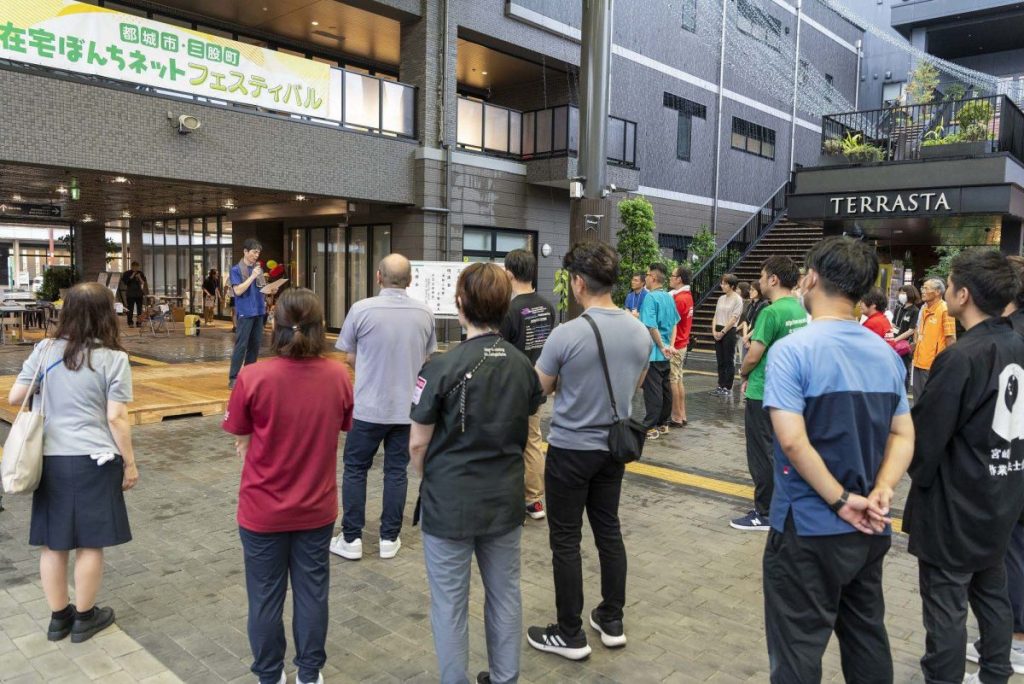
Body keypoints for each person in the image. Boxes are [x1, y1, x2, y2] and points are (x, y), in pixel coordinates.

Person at [762, 236, 914, 683]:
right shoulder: (885, 354)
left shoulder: (793, 350)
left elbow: (793, 442)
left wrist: (841, 500)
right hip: (869, 527)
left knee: (797, 650)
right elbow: (903, 433)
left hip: (807, 527)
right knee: (866, 636)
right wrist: (883, 489)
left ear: (811, 279)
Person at [410, 262, 542, 684]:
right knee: (505, 594)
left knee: (449, 602)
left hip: (449, 502)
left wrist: (427, 475)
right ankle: (505, 677)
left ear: (460, 303)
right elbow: (528, 420)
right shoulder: (522, 366)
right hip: (504, 499)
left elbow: (417, 443)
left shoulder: (440, 367)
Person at [527, 242, 651, 661]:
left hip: (570, 450)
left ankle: (570, 633)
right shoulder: (638, 331)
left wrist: (569, 383)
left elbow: (539, 389)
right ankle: (611, 620)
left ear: (578, 282)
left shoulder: (567, 334)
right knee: (608, 530)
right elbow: (635, 384)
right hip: (613, 450)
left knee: (565, 539)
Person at [905, 249, 1024, 684]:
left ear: (963, 294)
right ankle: (995, 672)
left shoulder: (962, 356)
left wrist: (914, 473)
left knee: (946, 606)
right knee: (992, 592)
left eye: (951, 282)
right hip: (1001, 492)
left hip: (955, 503)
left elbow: (926, 437)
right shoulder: (1016, 344)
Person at [223, 288, 354, 684]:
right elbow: (343, 425)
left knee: (264, 595)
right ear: (320, 327)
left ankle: (269, 674)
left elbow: (241, 439)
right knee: (313, 592)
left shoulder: (252, 376)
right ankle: (309, 674)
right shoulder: (337, 375)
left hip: (261, 509)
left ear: (274, 325)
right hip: (316, 507)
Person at [9, 282, 137, 643]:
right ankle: (84, 618)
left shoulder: (45, 349)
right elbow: (116, 417)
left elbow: (16, 396)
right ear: (106, 315)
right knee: (90, 543)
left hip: (50, 459)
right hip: (96, 461)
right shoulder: (114, 358)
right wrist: (129, 463)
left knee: (54, 543)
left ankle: (58, 619)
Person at [330, 254, 436, 561]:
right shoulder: (425, 313)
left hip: (367, 408)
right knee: (396, 472)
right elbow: (426, 359)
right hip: (406, 410)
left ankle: (351, 538)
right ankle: (390, 538)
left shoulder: (361, 309)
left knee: (355, 469)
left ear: (378, 277)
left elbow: (349, 356)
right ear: (410, 280)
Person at [731, 256, 807, 532]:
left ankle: (764, 513)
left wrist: (743, 373)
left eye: (763, 276)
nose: (760, 281)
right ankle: (781, 505)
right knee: (779, 452)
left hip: (763, 390)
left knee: (761, 454)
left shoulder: (771, 312)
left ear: (774, 279)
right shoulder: (799, 310)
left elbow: (754, 354)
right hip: (789, 391)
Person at [499, 249, 555, 521]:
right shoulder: (547, 307)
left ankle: (510, 499)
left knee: (508, 443)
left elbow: (500, 352)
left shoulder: (509, 311)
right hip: (537, 385)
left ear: (509, 274)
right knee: (533, 441)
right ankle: (534, 500)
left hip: (511, 388)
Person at [639, 263, 679, 440]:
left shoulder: (650, 297)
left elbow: (651, 326)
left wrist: (662, 346)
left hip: (654, 351)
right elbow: (675, 323)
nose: (645, 278)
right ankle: (663, 423)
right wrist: (670, 345)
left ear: (653, 278)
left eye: (647, 275)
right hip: (665, 352)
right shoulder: (669, 297)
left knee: (653, 391)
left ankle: (650, 426)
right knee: (665, 389)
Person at [229, 239, 267, 389]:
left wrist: (271, 289)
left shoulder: (258, 269)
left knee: (255, 345)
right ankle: (233, 377)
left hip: (259, 311)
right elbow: (238, 291)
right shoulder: (236, 270)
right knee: (241, 345)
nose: (256, 255)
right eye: (254, 252)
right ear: (245, 251)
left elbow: (261, 288)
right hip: (245, 312)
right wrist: (252, 276)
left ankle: (249, 376)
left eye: (258, 253)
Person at [912, 276, 956, 400]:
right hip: (918, 361)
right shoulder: (924, 308)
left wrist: (949, 364)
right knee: (917, 399)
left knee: (929, 400)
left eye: (926, 288)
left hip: (933, 365)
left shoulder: (945, 310)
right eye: (922, 288)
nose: (922, 291)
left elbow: (951, 339)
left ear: (937, 292)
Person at [668, 265, 694, 427]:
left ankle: (676, 416)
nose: (670, 278)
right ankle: (682, 414)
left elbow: (672, 322)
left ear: (679, 279)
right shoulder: (687, 296)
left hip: (676, 344)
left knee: (673, 380)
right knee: (678, 379)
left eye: (672, 276)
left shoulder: (680, 299)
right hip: (682, 342)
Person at [711, 273, 743, 396]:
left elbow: (734, 318)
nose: (722, 285)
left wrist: (723, 331)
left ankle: (727, 387)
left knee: (728, 359)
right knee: (720, 359)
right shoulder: (721, 298)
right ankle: (720, 384)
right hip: (718, 328)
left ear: (732, 286)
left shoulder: (737, 299)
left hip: (729, 330)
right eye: (722, 283)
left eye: (725, 284)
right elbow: (715, 315)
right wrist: (714, 330)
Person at [891, 284, 921, 392]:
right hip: (894, 344)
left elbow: (911, 330)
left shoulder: (915, 311)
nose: (900, 295)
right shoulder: (898, 309)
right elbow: (893, 325)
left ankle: (903, 392)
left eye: (903, 293)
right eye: (900, 292)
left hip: (905, 345)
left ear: (910, 294)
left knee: (904, 370)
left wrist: (896, 339)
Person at [740, 280, 768, 353]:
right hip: (746, 339)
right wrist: (745, 337)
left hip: (756, 339)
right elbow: (745, 322)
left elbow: (760, 324)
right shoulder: (751, 304)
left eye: (752, 290)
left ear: (759, 291)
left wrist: (747, 337)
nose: (750, 292)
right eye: (750, 289)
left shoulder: (764, 305)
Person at [123, 261, 147, 327]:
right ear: (132, 266)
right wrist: (133, 275)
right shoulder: (127, 273)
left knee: (139, 309)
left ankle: (139, 322)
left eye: (137, 267)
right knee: (130, 309)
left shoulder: (140, 273)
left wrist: (139, 277)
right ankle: (130, 323)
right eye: (134, 267)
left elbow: (143, 283)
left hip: (139, 294)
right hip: (130, 294)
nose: (136, 268)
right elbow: (125, 282)